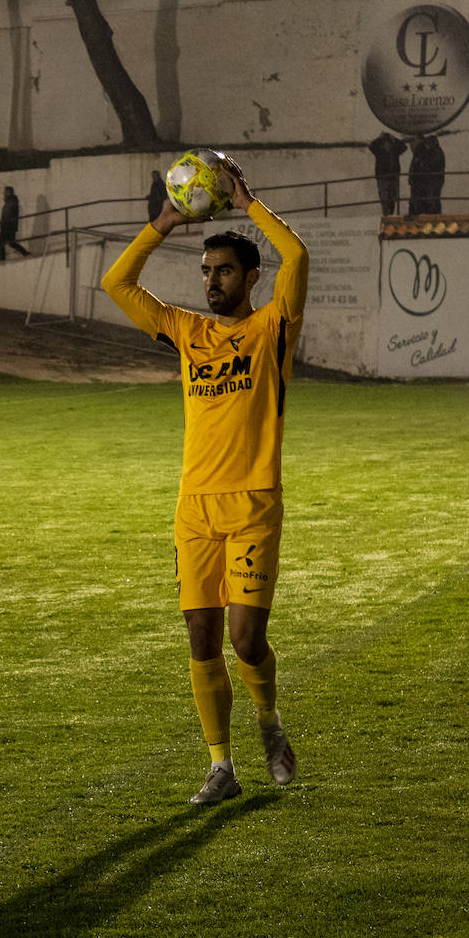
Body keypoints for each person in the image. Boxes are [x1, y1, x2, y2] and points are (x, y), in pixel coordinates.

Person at [101, 156, 306, 805]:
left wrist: (249, 203)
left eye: (223, 272)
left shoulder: (271, 329)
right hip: (194, 507)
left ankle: (269, 724)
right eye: (206, 272)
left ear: (249, 277)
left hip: (252, 506)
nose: (212, 282)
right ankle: (221, 766)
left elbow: (296, 257)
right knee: (199, 635)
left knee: (245, 639)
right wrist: (163, 220)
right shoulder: (188, 332)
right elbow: (117, 281)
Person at [368, 131, 408, 215]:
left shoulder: (395, 150)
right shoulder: (379, 151)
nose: (388, 145)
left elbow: (404, 147)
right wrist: (379, 138)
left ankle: (390, 215)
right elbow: (371, 146)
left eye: (389, 142)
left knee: (392, 199)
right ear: (383, 144)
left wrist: (394, 138)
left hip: (393, 178)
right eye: (386, 142)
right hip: (382, 179)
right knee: (384, 198)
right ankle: (386, 215)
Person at [408, 135, 445, 215]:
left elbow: (430, 164)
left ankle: (432, 217)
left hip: (431, 182)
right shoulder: (422, 152)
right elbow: (414, 166)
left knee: (430, 201)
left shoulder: (435, 152)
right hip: (420, 182)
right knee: (420, 201)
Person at [0, 185, 28, 258]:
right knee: (10, 243)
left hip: (8, 226)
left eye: (5, 192)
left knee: (3, 243)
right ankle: (25, 253)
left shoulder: (11, 201)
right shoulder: (10, 201)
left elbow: (8, 214)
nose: (3, 193)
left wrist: (4, 224)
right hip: (8, 226)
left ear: (9, 192)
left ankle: (2, 259)